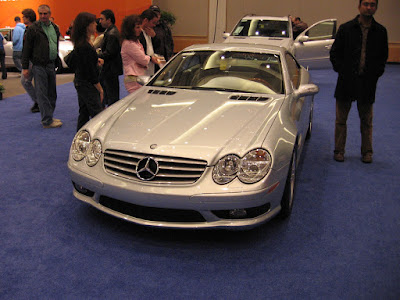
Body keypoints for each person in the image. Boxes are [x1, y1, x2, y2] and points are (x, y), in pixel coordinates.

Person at [330, 0, 388, 163]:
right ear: (359, 6)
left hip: (368, 84)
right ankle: (339, 151)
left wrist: (375, 74)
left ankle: (367, 152)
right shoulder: (346, 28)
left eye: (372, 5)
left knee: (367, 121)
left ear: (376, 8)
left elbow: (383, 57)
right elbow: (334, 54)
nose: (369, 8)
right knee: (341, 120)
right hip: (346, 82)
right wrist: (342, 71)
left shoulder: (381, 32)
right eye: (366, 4)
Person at [22, 4, 62, 128]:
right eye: (41, 14)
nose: (43, 16)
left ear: (50, 14)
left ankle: (49, 116)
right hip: (38, 65)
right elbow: (26, 49)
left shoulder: (55, 28)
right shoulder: (33, 29)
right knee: (42, 93)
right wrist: (24, 67)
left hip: (51, 64)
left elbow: (55, 45)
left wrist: (57, 61)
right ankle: (46, 120)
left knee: (52, 93)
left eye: (45, 13)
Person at [70, 12, 104, 131]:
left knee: (84, 113)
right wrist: (99, 88)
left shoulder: (82, 42)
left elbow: (85, 63)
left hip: (81, 81)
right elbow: (90, 73)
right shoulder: (84, 45)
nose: (96, 24)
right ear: (87, 25)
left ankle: (80, 137)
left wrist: (95, 60)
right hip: (86, 83)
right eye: (93, 22)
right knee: (97, 113)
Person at [121, 14, 159, 93]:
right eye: (137, 27)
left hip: (139, 76)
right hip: (133, 78)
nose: (140, 30)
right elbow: (143, 60)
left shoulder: (135, 42)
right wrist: (150, 58)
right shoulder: (129, 43)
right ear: (130, 29)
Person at [98, 9, 123, 107]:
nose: (100, 21)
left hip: (111, 69)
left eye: (102, 19)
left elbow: (110, 53)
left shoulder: (112, 33)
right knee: (110, 94)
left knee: (112, 95)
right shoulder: (111, 31)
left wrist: (96, 55)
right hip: (111, 68)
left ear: (109, 20)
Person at [21, 8, 39, 113]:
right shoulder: (29, 29)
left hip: (32, 60)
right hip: (31, 60)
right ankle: (38, 101)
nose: (23, 18)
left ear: (28, 17)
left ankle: (38, 101)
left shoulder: (32, 30)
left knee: (25, 81)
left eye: (24, 16)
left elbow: (29, 48)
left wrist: (26, 64)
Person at [139, 9, 160, 76]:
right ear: (145, 20)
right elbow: (138, 53)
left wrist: (154, 36)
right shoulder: (137, 34)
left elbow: (157, 46)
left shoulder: (150, 31)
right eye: (153, 22)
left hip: (151, 66)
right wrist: (150, 58)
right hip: (140, 67)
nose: (154, 25)